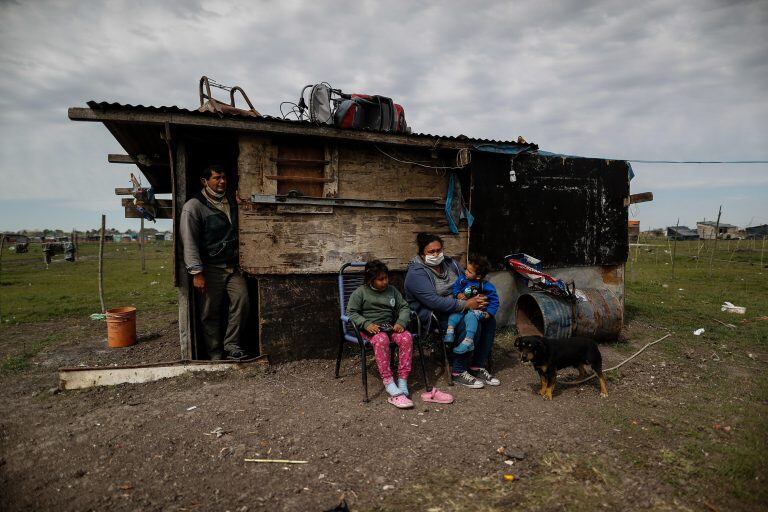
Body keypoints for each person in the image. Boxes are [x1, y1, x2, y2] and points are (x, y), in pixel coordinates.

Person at [404, 233, 500, 388]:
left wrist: (480, 298)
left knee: (488, 319)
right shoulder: (416, 273)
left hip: (460, 305)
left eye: (438, 250)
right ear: (422, 253)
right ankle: (458, 371)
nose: (436, 254)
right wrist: (466, 304)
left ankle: (477, 366)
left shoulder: (451, 264)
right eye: (431, 252)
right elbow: (434, 302)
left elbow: (468, 281)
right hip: (433, 314)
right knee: (466, 322)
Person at [180, 164, 249, 360]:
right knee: (210, 313)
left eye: (224, 177)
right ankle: (215, 353)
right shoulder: (193, 207)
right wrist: (197, 273)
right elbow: (189, 242)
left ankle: (232, 345)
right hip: (210, 268)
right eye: (217, 178)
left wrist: (241, 204)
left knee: (242, 302)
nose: (222, 181)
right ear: (204, 181)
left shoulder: (230, 201)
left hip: (233, 267)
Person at [346, 260, 415, 409]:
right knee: (381, 340)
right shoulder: (360, 293)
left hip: (390, 326)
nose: (385, 282)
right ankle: (388, 381)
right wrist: (365, 324)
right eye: (380, 279)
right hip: (371, 330)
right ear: (370, 280)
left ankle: (402, 379)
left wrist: (401, 322)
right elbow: (351, 312)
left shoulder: (392, 291)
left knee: (406, 337)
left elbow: (404, 306)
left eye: (386, 278)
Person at [445, 254, 499, 355]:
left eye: (469, 272)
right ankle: (450, 333)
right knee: (454, 316)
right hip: (465, 308)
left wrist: (489, 313)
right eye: (466, 269)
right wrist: (458, 294)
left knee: (471, 317)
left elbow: (494, 300)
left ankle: (468, 341)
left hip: (478, 312)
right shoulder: (462, 280)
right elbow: (455, 288)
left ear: (478, 276)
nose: (466, 272)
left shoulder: (485, 286)